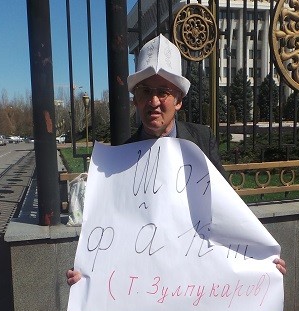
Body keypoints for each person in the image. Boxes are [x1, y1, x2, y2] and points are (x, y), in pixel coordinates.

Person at [67, 34, 286, 286]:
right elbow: (111, 233)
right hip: (144, 287)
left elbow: (229, 211)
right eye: (145, 91)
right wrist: (86, 275)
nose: (154, 101)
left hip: (193, 281)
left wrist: (261, 260)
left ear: (179, 100)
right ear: (135, 100)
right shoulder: (117, 162)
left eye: (164, 92)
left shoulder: (201, 140)